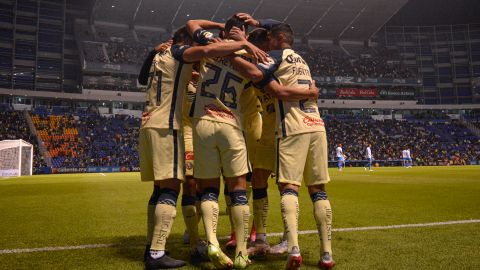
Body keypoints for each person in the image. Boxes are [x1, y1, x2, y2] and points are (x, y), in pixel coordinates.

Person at [138, 23, 265, 269]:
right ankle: (157, 253)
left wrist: (153, 50)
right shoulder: (184, 53)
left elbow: (143, 77)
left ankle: (160, 245)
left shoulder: (160, 55)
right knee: (173, 190)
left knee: (166, 189)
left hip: (153, 122)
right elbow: (255, 73)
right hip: (173, 125)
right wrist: (244, 44)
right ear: (186, 43)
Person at [229, 22, 335, 270]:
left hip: (290, 126)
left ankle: (292, 244)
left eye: (263, 40)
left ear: (272, 40)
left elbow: (267, 83)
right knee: (314, 189)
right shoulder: (301, 60)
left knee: (288, 187)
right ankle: (325, 253)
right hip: (311, 124)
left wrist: (230, 50)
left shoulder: (272, 58)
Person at [185, 15, 269, 269]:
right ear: (242, 32)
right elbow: (260, 74)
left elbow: (191, 25)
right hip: (231, 125)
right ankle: (242, 251)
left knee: (208, 189)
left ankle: (212, 242)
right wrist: (245, 43)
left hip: (202, 123)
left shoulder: (211, 44)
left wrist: (221, 29)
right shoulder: (248, 55)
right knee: (239, 190)